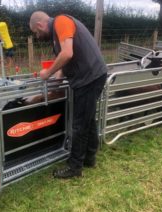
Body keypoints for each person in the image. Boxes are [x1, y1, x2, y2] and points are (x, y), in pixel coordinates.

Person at [29, 11, 107, 179]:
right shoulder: (57, 34)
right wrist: (57, 81)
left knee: (79, 124)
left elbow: (67, 53)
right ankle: (89, 157)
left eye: (36, 32)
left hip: (89, 77)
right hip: (91, 76)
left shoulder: (61, 22)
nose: (37, 36)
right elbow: (64, 61)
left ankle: (75, 167)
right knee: (87, 118)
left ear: (40, 25)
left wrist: (47, 73)